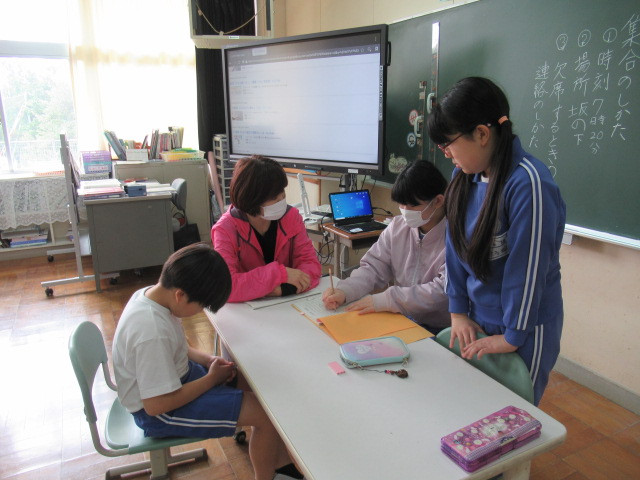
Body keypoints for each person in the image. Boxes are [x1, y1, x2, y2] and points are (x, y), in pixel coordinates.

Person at [426, 76, 566, 405]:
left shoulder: (529, 183)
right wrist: (458, 311)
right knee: (472, 408)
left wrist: (513, 336)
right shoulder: (464, 175)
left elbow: (527, 271)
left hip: (524, 326)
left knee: (512, 417)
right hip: (477, 316)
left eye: (448, 144)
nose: (447, 154)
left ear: (482, 134)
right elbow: (454, 248)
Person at [112, 244, 302, 480]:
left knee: (260, 388)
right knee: (265, 416)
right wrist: (211, 379)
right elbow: (156, 405)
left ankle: (282, 466)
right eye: (201, 305)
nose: (201, 310)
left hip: (177, 381)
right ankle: (267, 476)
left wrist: (209, 359)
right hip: (159, 413)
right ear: (180, 295)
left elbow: (178, 347)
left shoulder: (154, 296)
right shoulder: (151, 331)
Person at [321, 160, 450, 334]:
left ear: (438, 201)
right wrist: (345, 290)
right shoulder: (398, 227)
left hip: (442, 328)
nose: (405, 210)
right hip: (402, 319)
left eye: (413, 205)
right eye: (401, 204)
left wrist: (388, 299)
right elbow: (373, 268)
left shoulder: (456, 236)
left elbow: (442, 291)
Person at [211, 156, 322, 303]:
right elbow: (226, 286)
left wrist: (281, 290)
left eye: (282, 192)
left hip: (289, 301)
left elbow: (310, 265)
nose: (282, 199)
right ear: (253, 199)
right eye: (275, 197)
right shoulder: (225, 229)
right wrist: (280, 274)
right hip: (246, 308)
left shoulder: (291, 217)